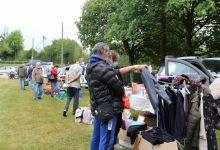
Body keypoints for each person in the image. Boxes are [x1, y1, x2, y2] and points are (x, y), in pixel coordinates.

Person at [87, 42, 147, 150]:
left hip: (98, 108)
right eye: (107, 52)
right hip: (108, 110)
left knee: (96, 137)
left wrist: (134, 67)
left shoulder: (91, 66)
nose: (108, 54)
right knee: (106, 141)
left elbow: (115, 71)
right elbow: (119, 89)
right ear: (103, 52)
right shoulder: (103, 67)